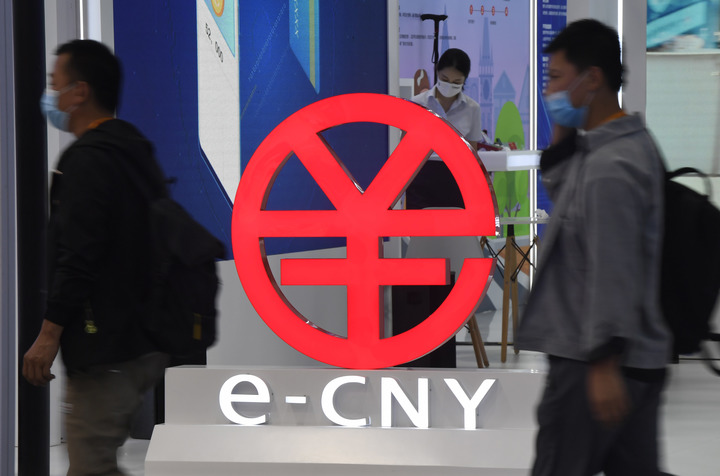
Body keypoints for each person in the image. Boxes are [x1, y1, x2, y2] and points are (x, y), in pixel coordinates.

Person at [515, 20, 673, 475]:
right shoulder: (619, 146)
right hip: (630, 358)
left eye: (556, 77)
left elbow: (612, 268)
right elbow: (563, 186)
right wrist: (563, 129)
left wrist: (602, 364)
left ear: (592, 79)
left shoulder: (611, 167)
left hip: (591, 360)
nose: (549, 91)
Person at [22, 39, 169, 475]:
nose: (51, 96)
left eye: (56, 84)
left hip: (104, 348)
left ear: (80, 92)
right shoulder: (136, 151)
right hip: (142, 340)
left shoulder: (86, 161)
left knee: (90, 465)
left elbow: (79, 256)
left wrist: (48, 335)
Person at [407, 48, 483, 209]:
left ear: (465, 80)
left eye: (456, 82)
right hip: (422, 174)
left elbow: (472, 152)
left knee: (455, 223)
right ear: (437, 72)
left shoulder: (472, 108)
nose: (450, 85)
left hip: (457, 177)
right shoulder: (418, 103)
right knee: (421, 223)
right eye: (445, 79)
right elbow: (406, 146)